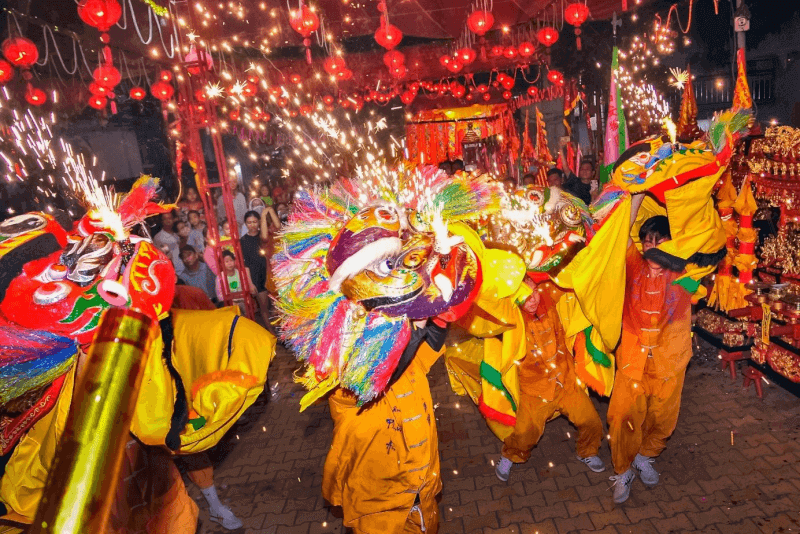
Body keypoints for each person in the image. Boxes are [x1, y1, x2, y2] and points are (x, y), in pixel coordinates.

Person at [324, 319, 448, 533]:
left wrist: (440, 315)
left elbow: (432, 344)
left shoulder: (410, 359)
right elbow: (377, 378)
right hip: (377, 507)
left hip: (422, 495)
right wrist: (415, 329)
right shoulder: (343, 380)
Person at [607, 209, 692, 504]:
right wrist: (636, 187)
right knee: (621, 418)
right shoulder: (632, 265)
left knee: (663, 419)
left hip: (670, 361)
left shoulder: (685, 273)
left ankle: (646, 456)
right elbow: (621, 229)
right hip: (633, 361)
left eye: (659, 240)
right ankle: (622, 470)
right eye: (647, 241)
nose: (652, 246)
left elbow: (697, 244)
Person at [495, 278, 605, 482]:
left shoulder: (551, 304)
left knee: (592, 422)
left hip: (565, 382)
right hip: (535, 390)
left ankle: (587, 452)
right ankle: (510, 455)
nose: (533, 299)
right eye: (525, 297)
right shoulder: (512, 320)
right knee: (525, 434)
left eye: (535, 291)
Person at [240, 211, 271, 328]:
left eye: (254, 222)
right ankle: (272, 333)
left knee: (274, 306)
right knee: (264, 308)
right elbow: (245, 264)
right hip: (256, 276)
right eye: (249, 222)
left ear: (259, 222)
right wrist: (250, 283)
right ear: (245, 224)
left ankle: (280, 332)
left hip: (268, 273)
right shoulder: (243, 241)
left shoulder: (263, 236)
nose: (252, 225)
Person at [215, 250, 257, 314]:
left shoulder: (240, 273)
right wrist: (230, 301)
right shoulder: (220, 278)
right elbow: (219, 295)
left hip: (243, 301)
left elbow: (246, 287)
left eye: (231, 260)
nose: (229, 263)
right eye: (226, 261)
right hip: (230, 304)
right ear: (221, 264)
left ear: (235, 261)